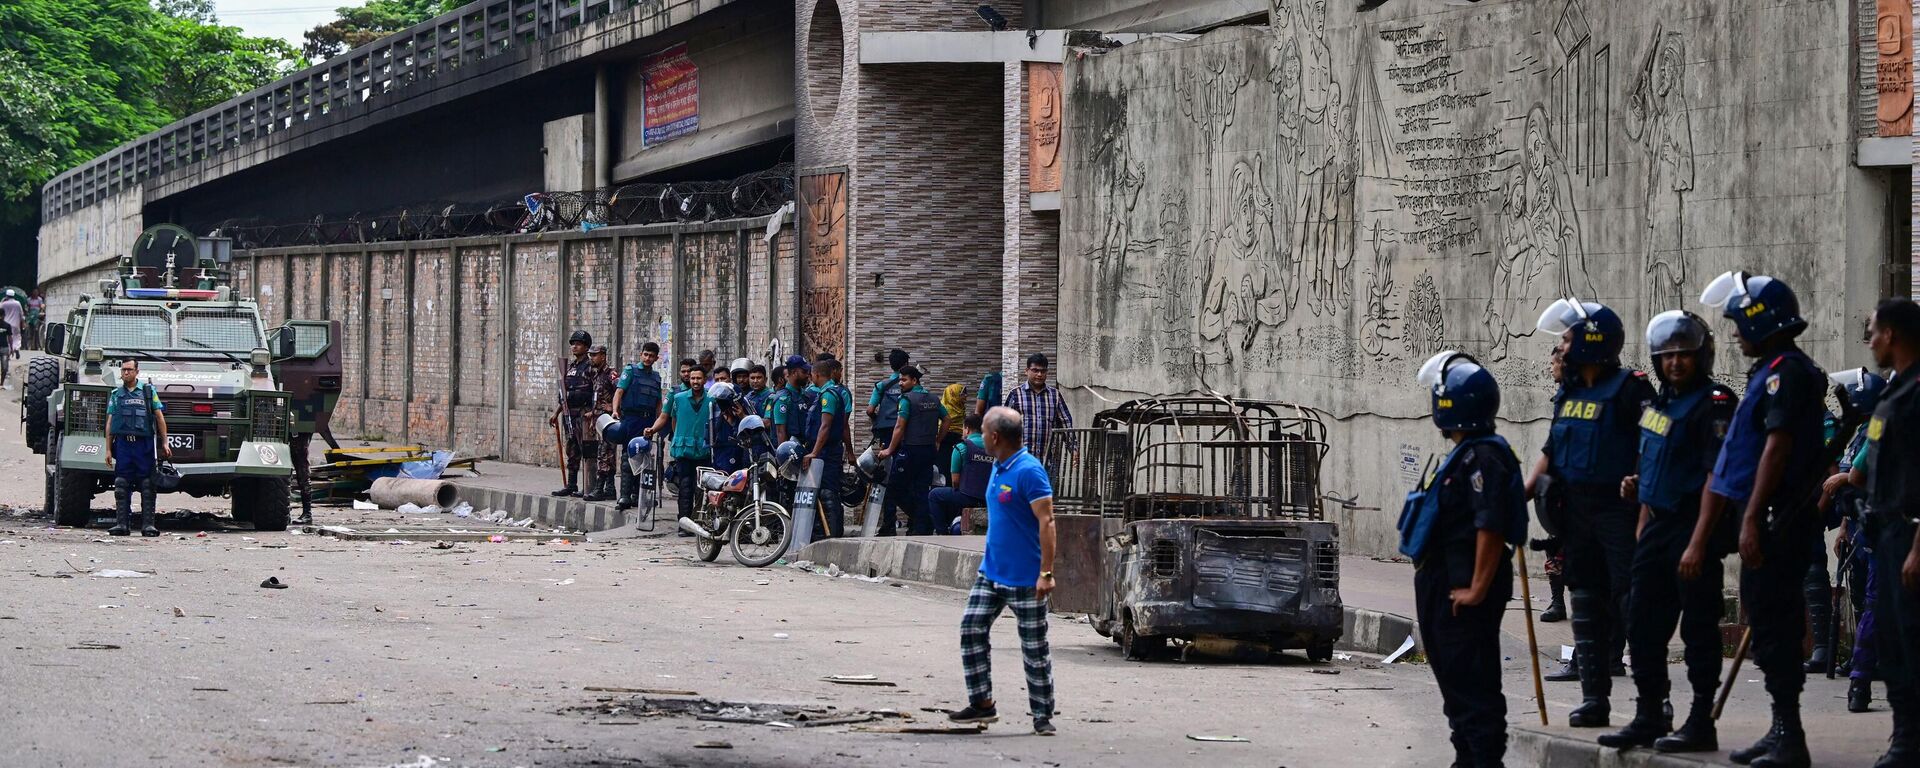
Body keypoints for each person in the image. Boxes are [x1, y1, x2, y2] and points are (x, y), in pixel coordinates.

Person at [1695, 271, 1826, 768]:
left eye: (1738, 323)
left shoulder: (1786, 373)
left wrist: (1751, 518)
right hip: (1765, 515)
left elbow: (1777, 447)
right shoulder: (1772, 369)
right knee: (1766, 622)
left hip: (1775, 518)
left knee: (1775, 626)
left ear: (1761, 321)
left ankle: (1790, 737)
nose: (1733, 334)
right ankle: (1780, 728)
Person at [1597, 311, 1737, 752]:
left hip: (1693, 528)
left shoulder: (1714, 403)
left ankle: (1700, 720)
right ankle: (1649, 713)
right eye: (1667, 356)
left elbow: (1717, 476)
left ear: (1702, 356)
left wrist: (1697, 542)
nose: (1675, 363)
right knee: (1642, 626)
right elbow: (1651, 459)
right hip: (1656, 529)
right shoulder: (1658, 404)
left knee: (1697, 630)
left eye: (1684, 354)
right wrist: (1638, 494)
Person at [1526, 298, 1652, 727]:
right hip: (1577, 513)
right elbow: (1550, 451)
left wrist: (1644, 500)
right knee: (1585, 601)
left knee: (1632, 600)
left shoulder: (1631, 388)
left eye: (1567, 339)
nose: (1561, 348)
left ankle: (1654, 704)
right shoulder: (1571, 391)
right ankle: (1594, 697)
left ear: (1592, 341)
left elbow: (1652, 447)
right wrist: (1517, 496)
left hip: (1620, 511)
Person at [1399, 351, 1527, 768]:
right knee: (1454, 681)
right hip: (1442, 581)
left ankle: (1484, 761)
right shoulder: (1468, 451)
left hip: (1462, 587)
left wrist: (1477, 588)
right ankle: (1466, 759)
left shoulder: (1484, 456)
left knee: (1472, 684)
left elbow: (1491, 526)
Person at [948, 406, 1059, 736]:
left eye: (982, 430)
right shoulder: (997, 465)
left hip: (1026, 577)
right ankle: (982, 704)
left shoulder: (1029, 471)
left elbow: (1048, 521)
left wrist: (1047, 573)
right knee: (971, 627)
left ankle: (1042, 715)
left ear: (995, 436)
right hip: (991, 572)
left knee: (1034, 648)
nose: (979, 435)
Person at [1860, 297, 1920, 767]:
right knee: (1892, 640)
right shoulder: (1894, 390)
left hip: (1911, 534)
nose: (1871, 341)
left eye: (1874, 332)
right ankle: (1905, 737)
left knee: (1912, 638)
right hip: (1885, 534)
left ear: (1893, 335)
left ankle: (1911, 741)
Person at [1821, 367, 1888, 713]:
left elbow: (1861, 473)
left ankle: (1862, 679)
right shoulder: (1862, 428)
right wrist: (1845, 527)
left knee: (1878, 605)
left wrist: (1845, 477)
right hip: (1862, 527)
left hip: (1884, 527)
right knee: (1866, 600)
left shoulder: (1880, 422)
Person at [104, 359, 171, 537]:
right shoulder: (116, 394)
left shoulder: (148, 392)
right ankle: (122, 524)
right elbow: (110, 423)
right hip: (124, 445)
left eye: (129, 370)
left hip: (144, 445)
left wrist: (165, 442)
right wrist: (108, 449)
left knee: (148, 484)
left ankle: (148, 525)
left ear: (137, 371)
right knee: (121, 483)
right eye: (123, 370)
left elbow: (159, 417)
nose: (126, 373)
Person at [645, 364, 712, 535]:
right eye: (693, 378)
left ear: (704, 380)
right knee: (685, 486)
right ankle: (684, 523)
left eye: (698, 378)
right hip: (684, 450)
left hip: (704, 450)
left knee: (702, 488)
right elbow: (669, 419)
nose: (695, 381)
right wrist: (652, 429)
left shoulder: (712, 400)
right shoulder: (678, 398)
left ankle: (700, 522)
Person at [876, 366, 943, 535]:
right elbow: (947, 419)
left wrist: (890, 450)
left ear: (914, 380)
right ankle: (921, 528)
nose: (900, 383)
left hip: (910, 451)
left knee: (893, 489)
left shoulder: (906, 399)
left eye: (904, 380)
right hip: (928, 451)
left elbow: (899, 426)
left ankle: (891, 527)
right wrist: (938, 441)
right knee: (921, 490)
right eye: (900, 379)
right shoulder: (934, 398)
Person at [803, 358, 855, 538]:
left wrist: (815, 452)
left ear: (816, 374)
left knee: (828, 491)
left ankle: (831, 535)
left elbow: (825, 426)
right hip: (824, 451)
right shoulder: (827, 393)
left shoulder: (829, 396)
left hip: (827, 453)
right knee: (822, 491)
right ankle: (822, 532)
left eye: (812, 375)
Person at [613, 342, 665, 510]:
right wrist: (615, 411)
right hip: (631, 419)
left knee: (645, 458)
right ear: (641, 355)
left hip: (648, 421)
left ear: (657, 358)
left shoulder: (656, 377)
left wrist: (658, 423)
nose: (648, 358)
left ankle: (640, 495)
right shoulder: (630, 371)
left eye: (652, 356)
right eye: (646, 355)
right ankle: (625, 496)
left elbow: (658, 403)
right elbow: (619, 392)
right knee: (629, 457)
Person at [549, 330, 595, 497]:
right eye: (573, 344)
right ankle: (572, 484)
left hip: (584, 413)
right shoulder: (570, 368)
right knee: (572, 450)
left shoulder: (590, 367)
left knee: (587, 450)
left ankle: (588, 486)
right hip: (570, 414)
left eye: (578, 344)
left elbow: (594, 391)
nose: (575, 346)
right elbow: (564, 394)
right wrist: (557, 413)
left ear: (586, 347)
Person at [931, 413, 992, 534]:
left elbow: (955, 481)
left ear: (967, 429)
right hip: (988, 498)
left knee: (935, 495)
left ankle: (942, 533)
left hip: (967, 496)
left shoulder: (961, 447)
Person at [1003, 354, 1073, 458]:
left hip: (1048, 459)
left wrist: (1073, 448)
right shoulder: (1015, 394)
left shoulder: (1055, 395)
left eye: (1043, 371)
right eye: (1035, 370)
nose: (1039, 374)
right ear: (1027, 371)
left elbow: (1065, 423)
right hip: (1020, 458)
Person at [581, 345, 618, 501]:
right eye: (591, 355)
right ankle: (610, 488)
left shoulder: (611, 373)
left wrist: (614, 407)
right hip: (598, 419)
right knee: (605, 454)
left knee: (605, 454)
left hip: (609, 420)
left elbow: (620, 391)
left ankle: (599, 488)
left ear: (603, 356)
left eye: (595, 355)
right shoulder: (596, 374)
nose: (592, 358)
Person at [868, 347, 910, 448]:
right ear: (905, 364)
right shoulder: (911, 385)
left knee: (887, 459)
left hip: (886, 429)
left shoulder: (881, 385)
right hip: (906, 429)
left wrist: (877, 419)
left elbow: (869, 410)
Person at [708, 382, 747, 474]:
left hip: (738, 462)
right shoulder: (719, 418)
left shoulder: (743, 416)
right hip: (721, 462)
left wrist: (740, 417)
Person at [772, 356, 812, 444]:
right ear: (794, 372)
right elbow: (780, 432)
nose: (807, 375)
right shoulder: (783, 399)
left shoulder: (805, 395)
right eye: (804, 372)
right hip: (791, 451)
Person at [0, 289, 21, 360]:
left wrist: (2, 301)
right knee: (17, 337)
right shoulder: (17, 303)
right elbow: (21, 314)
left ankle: (7, 354)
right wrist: (22, 322)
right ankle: (17, 348)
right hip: (16, 323)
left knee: (8, 338)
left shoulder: (4, 304)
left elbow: (0, 311)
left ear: (7, 295)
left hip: (6, 323)